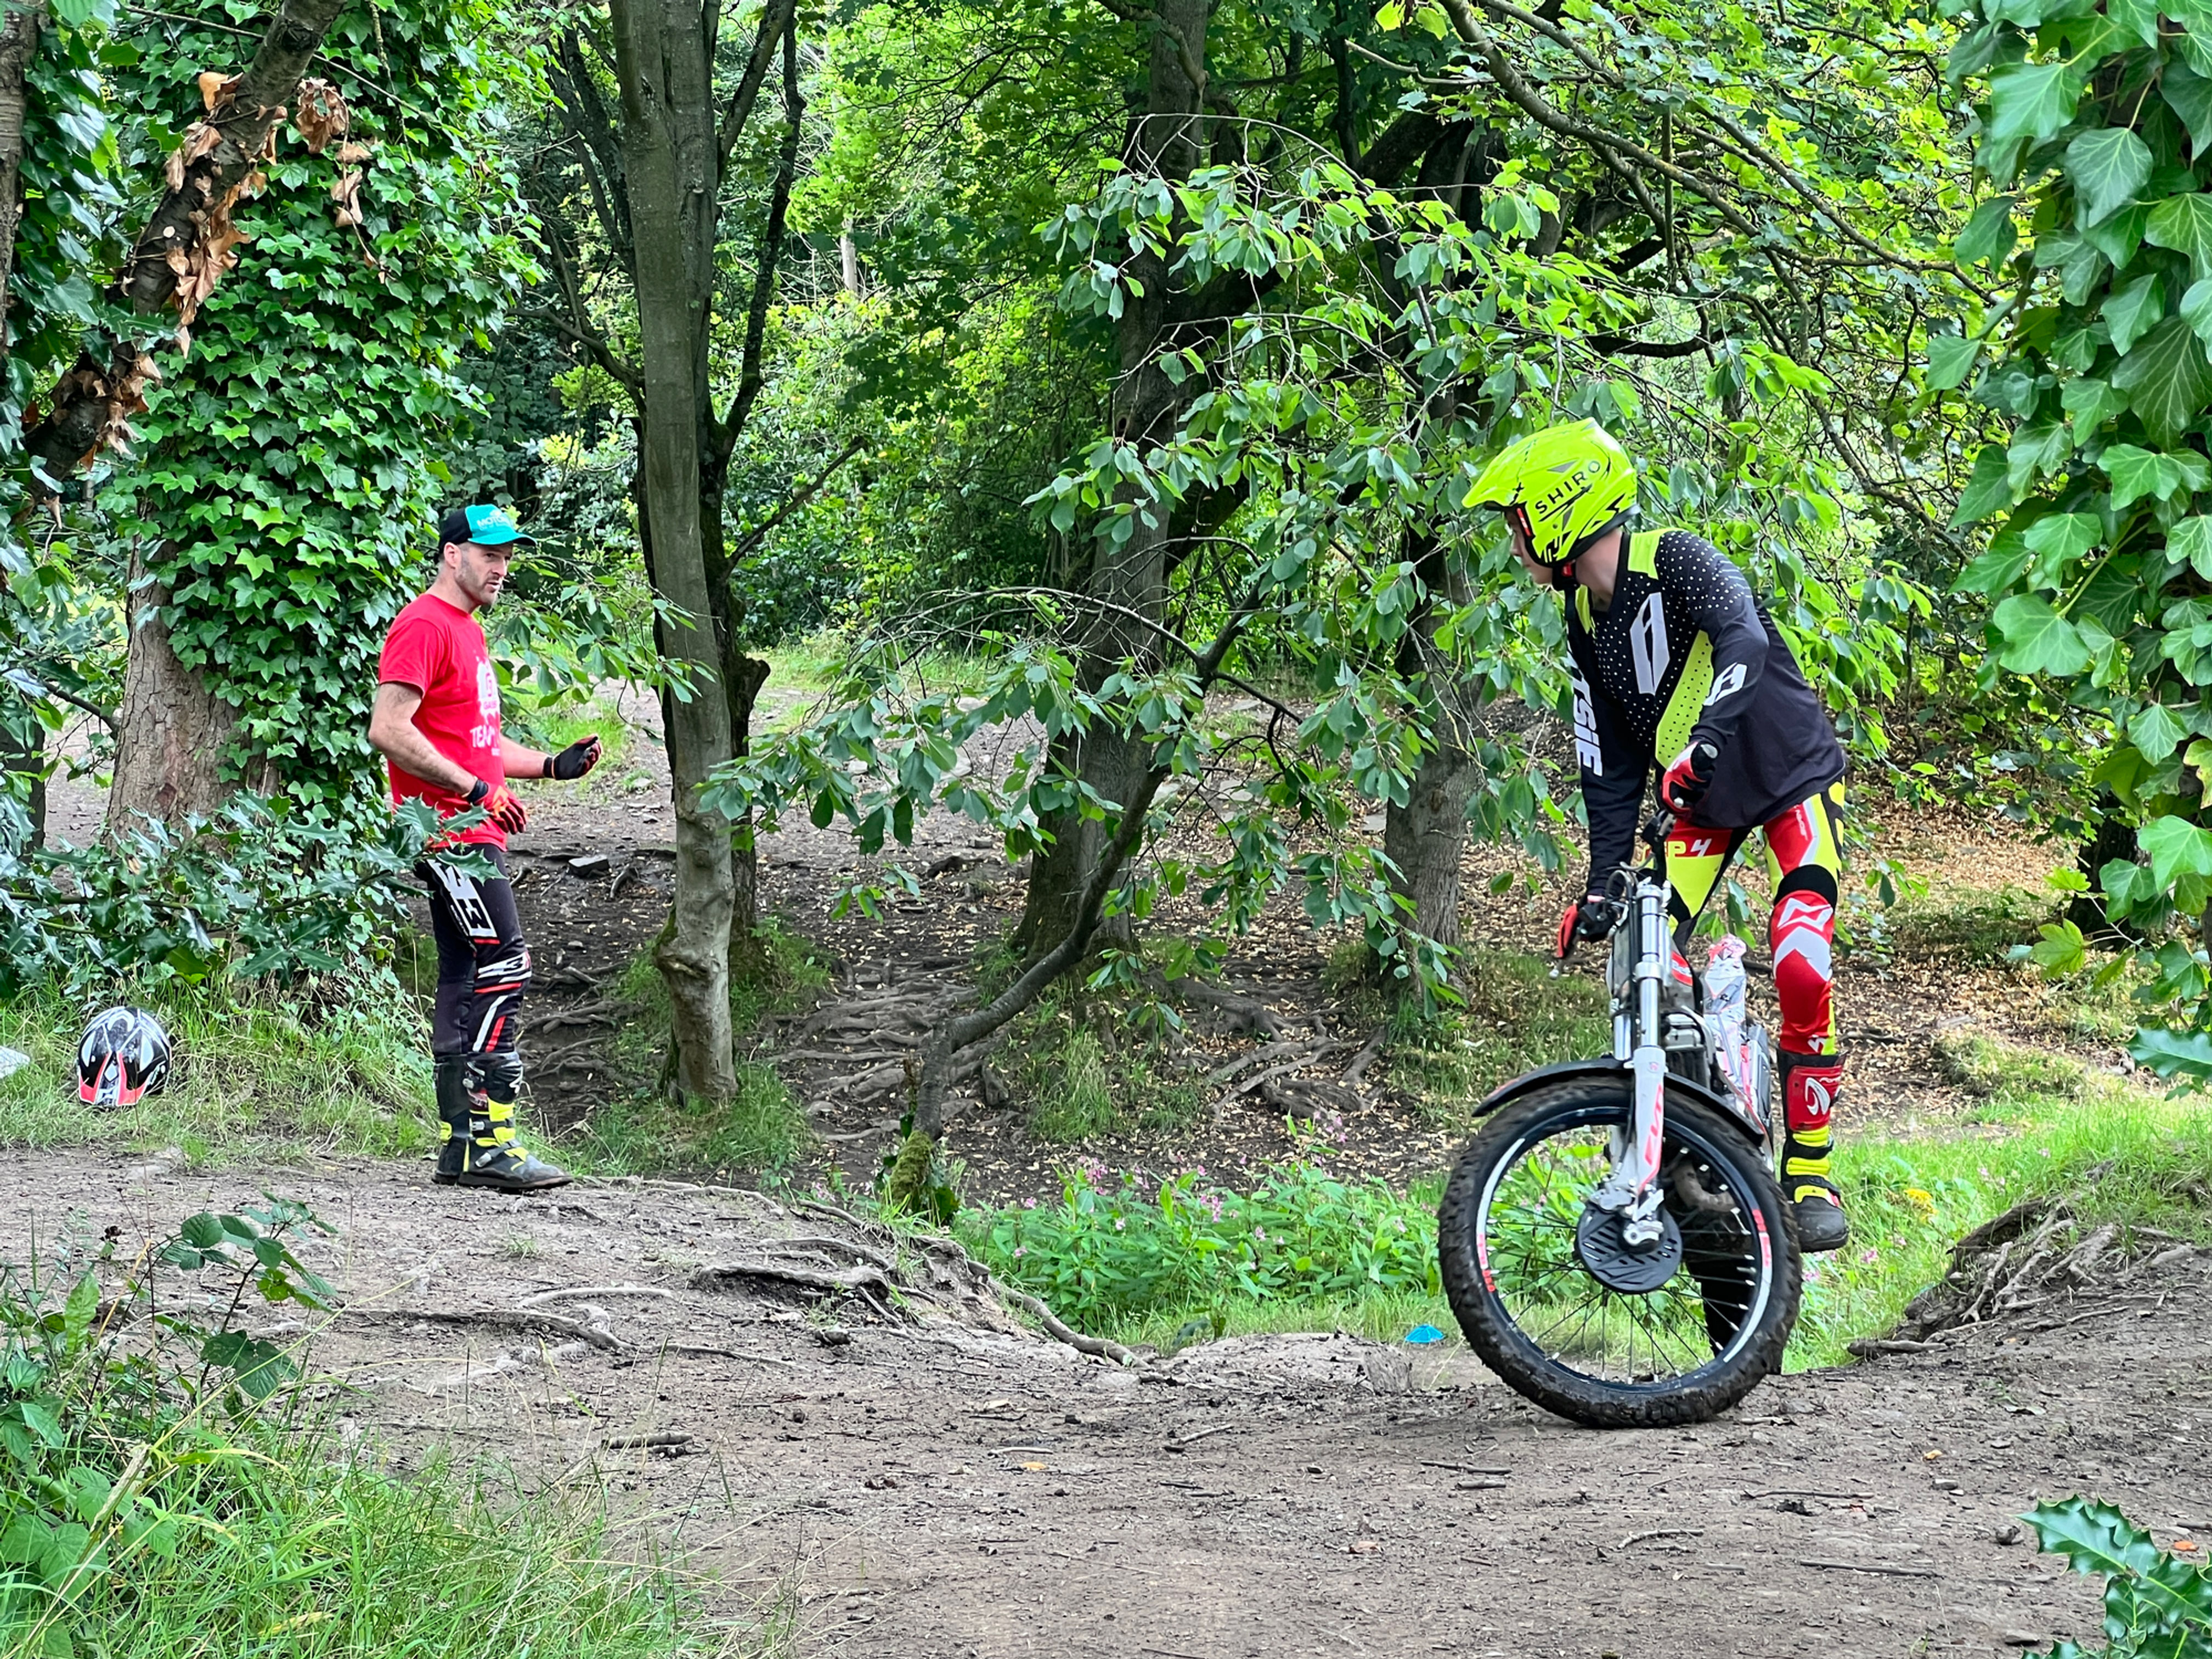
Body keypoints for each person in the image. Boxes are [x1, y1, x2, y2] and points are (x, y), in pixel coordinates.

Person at [1466, 420, 1852, 1252]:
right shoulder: (1580, 614)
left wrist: (1705, 741)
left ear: (1560, 513)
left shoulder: (1672, 557)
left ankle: (1811, 1173)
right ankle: (1697, 1127)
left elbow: (1743, 634)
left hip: (1787, 778)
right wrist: (1602, 879)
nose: (1513, 545)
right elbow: (1604, 760)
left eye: (1516, 523)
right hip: (1698, 811)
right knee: (1646, 958)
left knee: (1800, 954)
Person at [366, 504, 602, 1193]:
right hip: (450, 837)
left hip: (469, 828)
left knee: (466, 975)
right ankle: (491, 1142)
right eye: (488, 553)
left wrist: (549, 766)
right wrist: (474, 792)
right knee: (508, 963)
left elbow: (472, 741)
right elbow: (389, 729)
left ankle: (460, 1148)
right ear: (451, 554)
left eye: (506, 556)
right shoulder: (423, 625)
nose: (500, 567)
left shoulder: (465, 631)